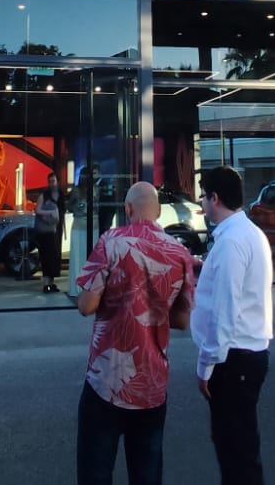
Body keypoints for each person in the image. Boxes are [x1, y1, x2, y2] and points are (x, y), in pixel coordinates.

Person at [74, 181, 197, 485]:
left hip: (107, 379)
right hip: (152, 382)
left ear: (128, 209)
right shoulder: (179, 253)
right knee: (146, 472)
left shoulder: (111, 242)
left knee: (95, 471)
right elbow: (182, 321)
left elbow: (86, 306)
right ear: (157, 212)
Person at [190, 166, 273, 485]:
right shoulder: (247, 233)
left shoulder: (231, 242)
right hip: (246, 354)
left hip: (233, 358)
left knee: (235, 451)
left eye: (203, 196)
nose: (202, 204)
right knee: (241, 448)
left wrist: (205, 366)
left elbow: (224, 312)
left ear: (215, 198)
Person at [35, 173, 65, 293]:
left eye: (53, 181)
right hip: (46, 230)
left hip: (56, 229)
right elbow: (37, 210)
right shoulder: (44, 195)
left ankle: (51, 283)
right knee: (46, 255)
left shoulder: (61, 194)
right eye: (50, 181)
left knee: (55, 255)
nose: (52, 183)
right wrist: (50, 213)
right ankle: (46, 283)